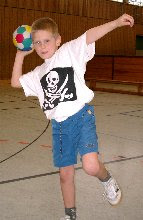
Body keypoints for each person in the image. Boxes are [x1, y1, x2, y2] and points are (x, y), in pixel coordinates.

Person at [11, 13, 134, 220]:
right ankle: (70, 215)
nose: (42, 46)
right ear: (32, 45)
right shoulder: (38, 73)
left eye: (47, 41)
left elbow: (90, 36)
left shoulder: (69, 52)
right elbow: (15, 82)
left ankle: (107, 179)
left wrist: (115, 23)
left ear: (58, 40)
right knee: (65, 175)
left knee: (91, 166)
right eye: (37, 42)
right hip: (59, 128)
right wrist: (20, 55)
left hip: (81, 117)